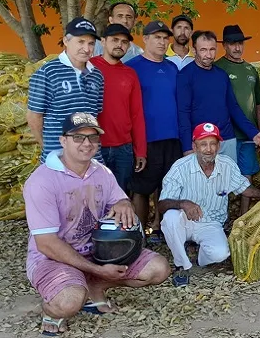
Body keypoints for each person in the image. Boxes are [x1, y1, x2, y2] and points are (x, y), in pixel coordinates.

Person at [23, 113, 169, 336]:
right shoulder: (42, 181)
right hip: (52, 258)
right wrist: (98, 269)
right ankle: (50, 310)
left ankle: (95, 286)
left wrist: (123, 203)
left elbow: (118, 199)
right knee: (69, 302)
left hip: (99, 251)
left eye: (92, 138)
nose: (87, 144)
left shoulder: (101, 172)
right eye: (78, 137)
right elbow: (46, 243)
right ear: (63, 141)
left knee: (159, 269)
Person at [159, 122, 260, 287]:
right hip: (185, 220)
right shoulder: (180, 167)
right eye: (203, 144)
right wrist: (182, 203)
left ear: (219, 146)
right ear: (194, 147)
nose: (208, 149)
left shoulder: (227, 165)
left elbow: (244, 188)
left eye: (212, 144)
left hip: (211, 223)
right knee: (170, 218)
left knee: (220, 253)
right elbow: (162, 205)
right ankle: (182, 265)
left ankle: (198, 257)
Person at [126, 21, 181, 242]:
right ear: (145, 39)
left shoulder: (172, 68)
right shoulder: (132, 68)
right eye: (156, 37)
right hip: (145, 138)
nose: (161, 41)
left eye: (164, 38)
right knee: (141, 188)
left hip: (172, 137)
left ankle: (160, 228)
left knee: (166, 185)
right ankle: (139, 235)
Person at [177, 30, 260, 165]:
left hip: (226, 138)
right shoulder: (185, 76)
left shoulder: (221, 75)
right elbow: (183, 113)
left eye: (212, 49)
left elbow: (233, 108)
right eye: (203, 50)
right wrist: (186, 146)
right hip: (201, 141)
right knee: (203, 184)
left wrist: (253, 133)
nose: (208, 55)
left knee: (229, 183)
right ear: (194, 50)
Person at [28, 17, 105, 163]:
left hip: (91, 158)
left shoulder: (97, 75)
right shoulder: (47, 72)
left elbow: (95, 115)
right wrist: (49, 149)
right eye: (80, 42)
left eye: (91, 43)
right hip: (58, 159)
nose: (87, 49)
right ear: (66, 41)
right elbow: (34, 117)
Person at [90, 24, 147, 192]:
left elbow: (136, 114)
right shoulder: (89, 68)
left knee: (120, 197)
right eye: (115, 40)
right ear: (103, 41)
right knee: (93, 197)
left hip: (124, 148)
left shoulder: (130, 74)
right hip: (94, 145)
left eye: (124, 42)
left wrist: (140, 150)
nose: (119, 45)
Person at [215, 25, 260, 215]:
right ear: (225, 46)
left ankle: (244, 217)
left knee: (247, 175)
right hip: (225, 135)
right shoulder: (218, 68)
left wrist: (259, 129)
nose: (237, 48)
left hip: (248, 134)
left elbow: (259, 102)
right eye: (232, 44)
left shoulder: (251, 69)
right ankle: (220, 216)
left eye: (240, 43)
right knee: (221, 176)